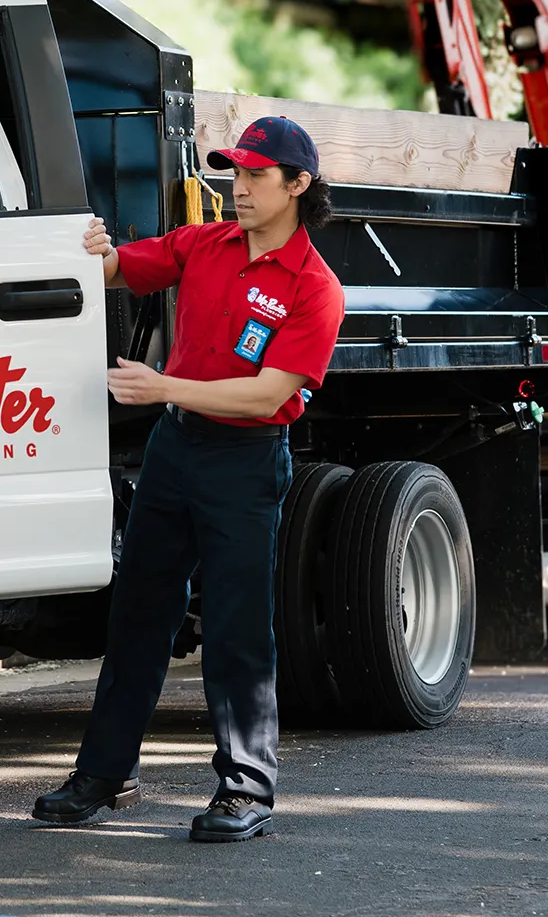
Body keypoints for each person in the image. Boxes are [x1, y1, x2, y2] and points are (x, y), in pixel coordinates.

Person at [32, 115, 344, 842]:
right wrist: (93, 249)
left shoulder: (314, 287)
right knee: (138, 612)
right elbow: (119, 269)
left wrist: (164, 387)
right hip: (176, 452)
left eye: (257, 176)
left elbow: (268, 395)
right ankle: (103, 776)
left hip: (244, 458)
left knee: (237, 628)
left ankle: (246, 791)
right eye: (235, 174)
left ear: (298, 185)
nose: (239, 189)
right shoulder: (205, 245)